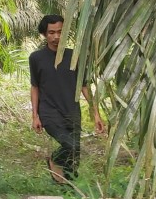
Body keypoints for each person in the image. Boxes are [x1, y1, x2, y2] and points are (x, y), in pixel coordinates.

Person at [30, 15, 105, 183]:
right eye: (51, 32)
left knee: (74, 156)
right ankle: (54, 160)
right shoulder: (36, 58)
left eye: (60, 32)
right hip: (49, 112)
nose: (56, 37)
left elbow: (84, 86)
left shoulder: (75, 56)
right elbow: (35, 87)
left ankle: (66, 189)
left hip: (72, 111)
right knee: (70, 146)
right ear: (44, 34)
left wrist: (96, 114)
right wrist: (35, 115)